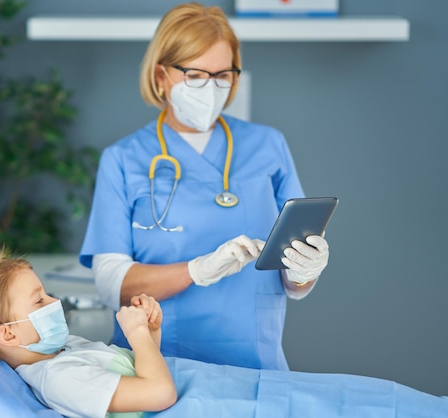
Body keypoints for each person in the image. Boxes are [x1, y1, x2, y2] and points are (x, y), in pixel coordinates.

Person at [79, 2, 330, 371]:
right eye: (195, 75)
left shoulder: (268, 145)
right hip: (155, 369)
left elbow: (290, 279)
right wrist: (195, 271)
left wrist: (305, 271)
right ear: (161, 75)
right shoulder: (124, 159)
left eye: (222, 75)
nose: (211, 88)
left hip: (255, 365)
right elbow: (112, 285)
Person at [0, 255, 177, 418]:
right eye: (39, 300)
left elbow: (141, 371)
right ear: (8, 334)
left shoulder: (64, 348)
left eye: (46, 294)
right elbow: (160, 394)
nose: (55, 301)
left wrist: (150, 331)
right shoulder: (60, 379)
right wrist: (137, 334)